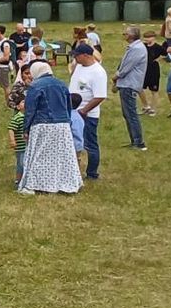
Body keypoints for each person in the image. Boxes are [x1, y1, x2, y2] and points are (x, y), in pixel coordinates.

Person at [18, 62, 82, 195]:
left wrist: (26, 128)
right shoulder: (62, 84)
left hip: (42, 124)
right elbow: (68, 106)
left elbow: (30, 109)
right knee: (62, 156)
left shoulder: (35, 86)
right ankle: (65, 182)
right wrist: (67, 121)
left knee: (39, 155)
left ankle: (34, 184)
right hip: (62, 124)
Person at [68, 41, 107, 181]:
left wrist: (84, 111)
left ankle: (92, 172)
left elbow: (100, 96)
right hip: (72, 111)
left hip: (87, 114)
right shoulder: (79, 66)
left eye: (77, 56)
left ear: (86, 55)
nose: (75, 58)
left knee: (90, 143)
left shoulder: (98, 72)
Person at [113, 26, 147, 150]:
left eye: (126, 34)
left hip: (129, 84)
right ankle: (134, 141)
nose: (124, 35)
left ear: (132, 35)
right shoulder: (134, 48)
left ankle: (138, 142)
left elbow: (126, 67)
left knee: (131, 114)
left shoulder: (137, 49)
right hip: (126, 84)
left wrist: (116, 76)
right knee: (127, 114)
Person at [6, 83, 29, 186]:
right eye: (23, 102)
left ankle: (25, 180)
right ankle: (18, 181)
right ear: (18, 106)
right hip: (20, 147)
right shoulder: (18, 117)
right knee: (21, 164)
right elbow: (11, 128)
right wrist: (12, 140)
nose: (26, 103)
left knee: (26, 163)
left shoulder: (28, 117)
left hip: (27, 146)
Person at [141, 31, 164, 115]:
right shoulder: (142, 46)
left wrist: (159, 59)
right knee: (139, 88)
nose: (146, 39)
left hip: (154, 70)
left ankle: (153, 109)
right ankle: (146, 106)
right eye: (145, 38)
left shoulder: (158, 47)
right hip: (143, 70)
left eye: (148, 37)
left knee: (154, 90)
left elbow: (167, 55)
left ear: (153, 38)